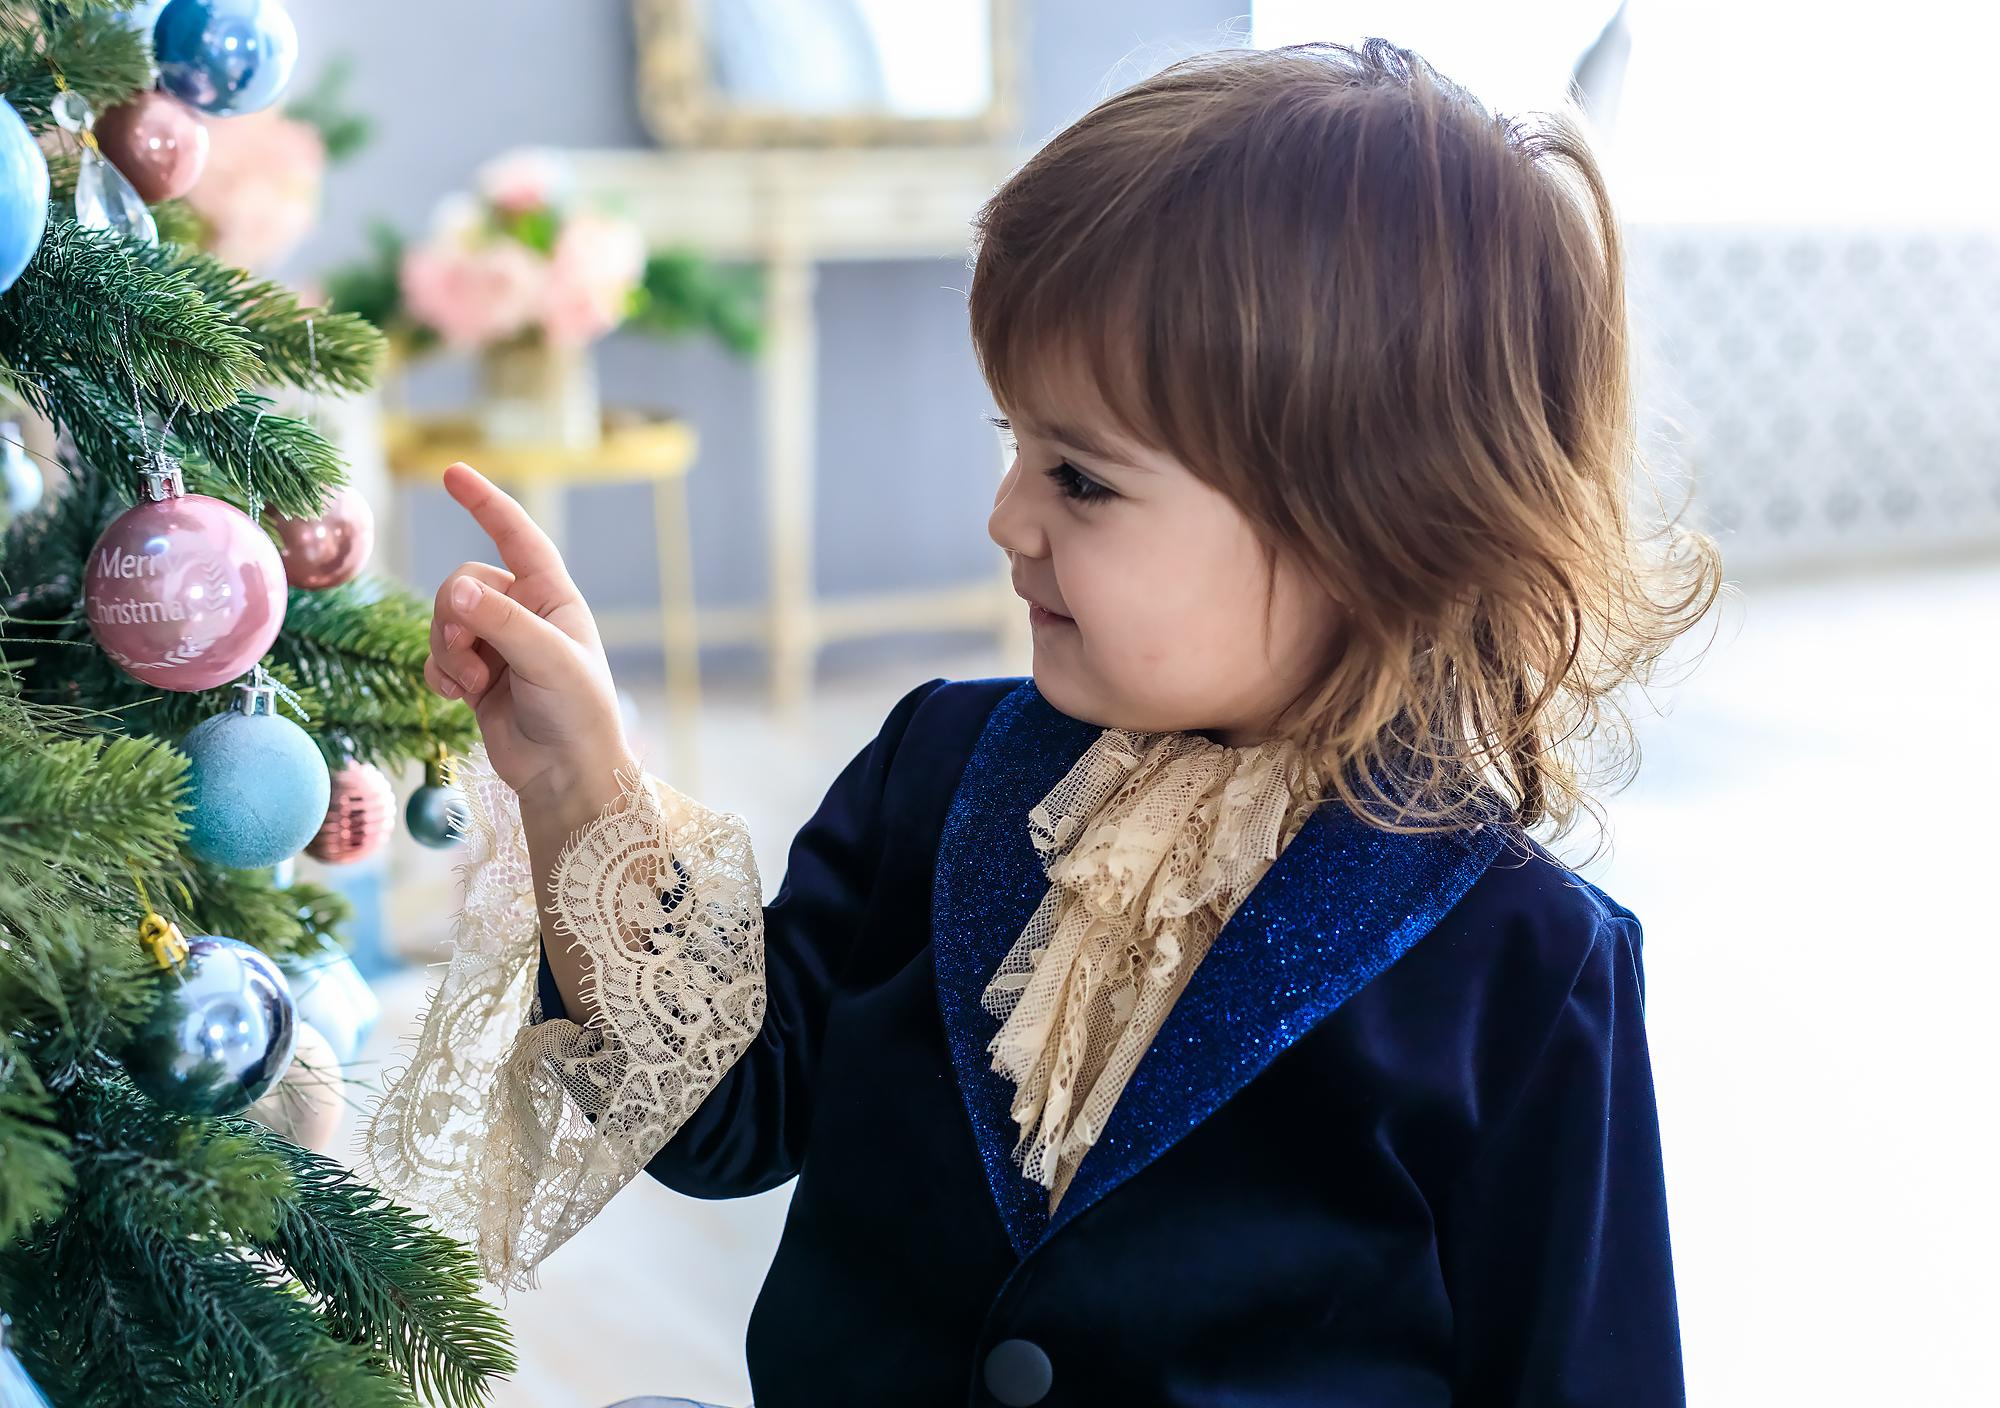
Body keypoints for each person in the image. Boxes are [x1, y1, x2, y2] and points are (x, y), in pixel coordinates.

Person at [368, 39, 1720, 1408]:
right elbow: (725, 1117)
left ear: (1376, 530)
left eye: (1080, 478)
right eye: (1013, 444)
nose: (1006, 518)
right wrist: (576, 781)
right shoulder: (936, 770)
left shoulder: (1525, 967)